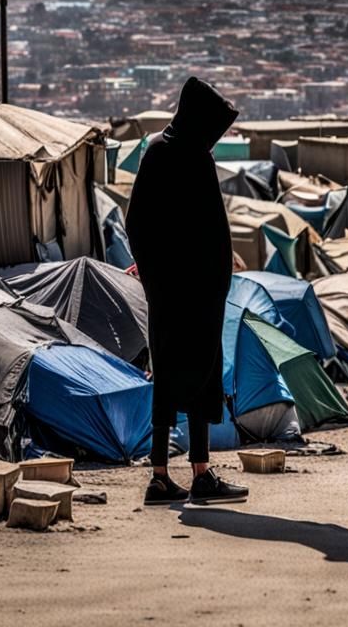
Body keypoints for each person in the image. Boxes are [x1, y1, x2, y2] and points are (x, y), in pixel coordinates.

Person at [128, 77, 248, 506]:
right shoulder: (197, 158)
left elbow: (136, 222)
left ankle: (160, 475)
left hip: (166, 294)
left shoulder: (156, 151)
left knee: (166, 378)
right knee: (203, 376)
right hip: (198, 295)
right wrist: (214, 279)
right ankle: (200, 474)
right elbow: (212, 232)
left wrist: (153, 276)